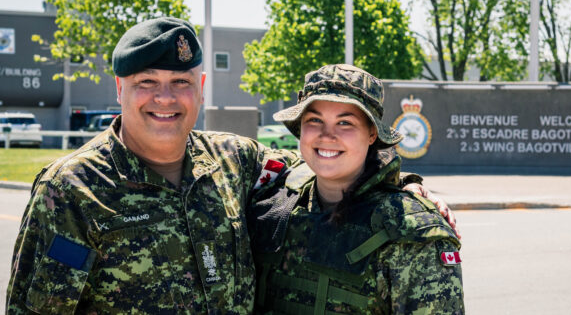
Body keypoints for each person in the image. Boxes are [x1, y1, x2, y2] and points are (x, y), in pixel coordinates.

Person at [6, 18, 455, 314]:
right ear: (119, 88)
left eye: (180, 82)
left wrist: (406, 188)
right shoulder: (72, 189)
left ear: (199, 87)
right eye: (147, 83)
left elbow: (326, 160)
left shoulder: (233, 160)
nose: (165, 98)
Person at [248, 64, 464, 314]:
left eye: (345, 123)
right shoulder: (272, 199)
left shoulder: (411, 232)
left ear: (372, 134)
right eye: (314, 120)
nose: (327, 135)